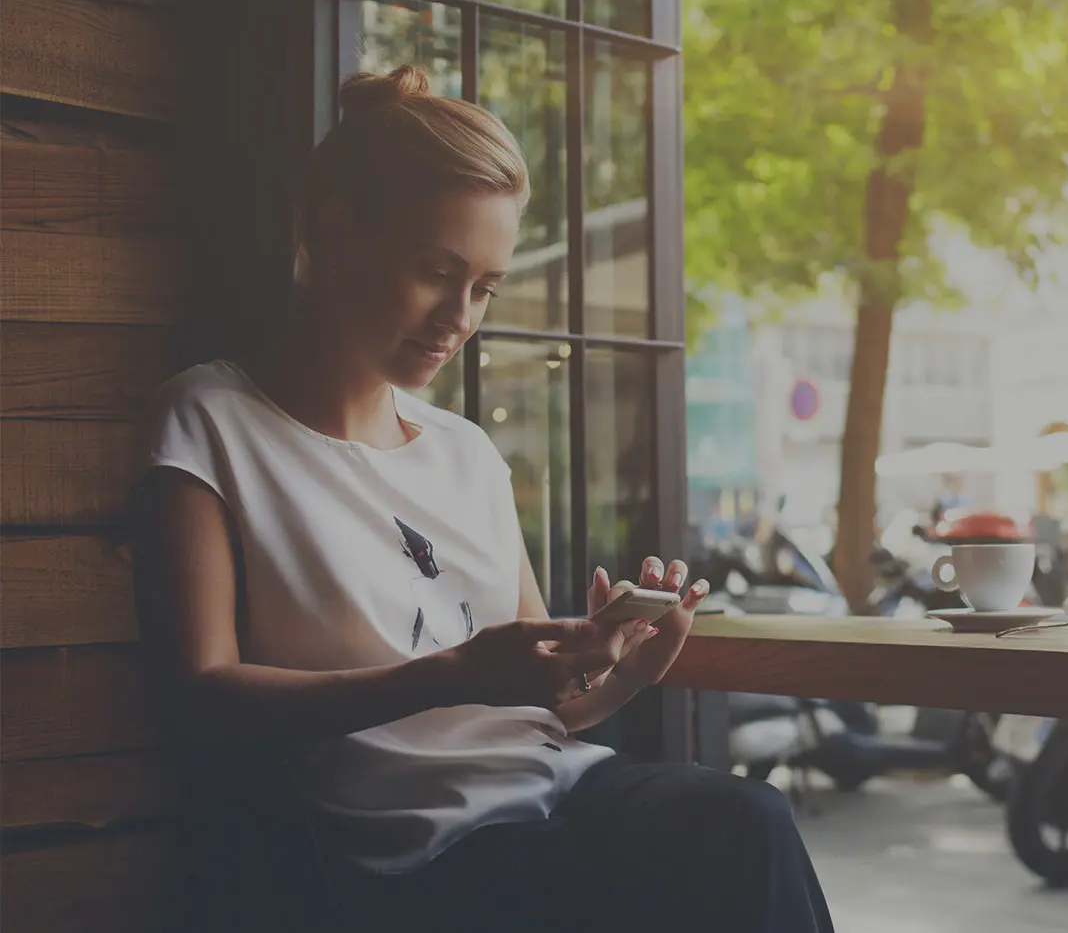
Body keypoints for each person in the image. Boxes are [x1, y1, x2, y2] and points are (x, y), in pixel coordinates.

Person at [129, 66, 833, 933]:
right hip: (407, 851)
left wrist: (627, 664)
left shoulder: (467, 453)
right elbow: (200, 692)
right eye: (436, 270)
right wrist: (455, 672)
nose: (461, 315)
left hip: (554, 795)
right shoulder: (211, 421)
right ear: (337, 230)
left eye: (486, 287)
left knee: (747, 819)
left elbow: (548, 707)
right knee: (730, 837)